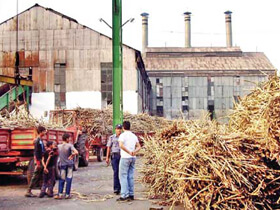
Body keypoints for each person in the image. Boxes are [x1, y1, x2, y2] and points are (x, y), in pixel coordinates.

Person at [117, 121, 141, 201]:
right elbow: (139, 146)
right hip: (133, 157)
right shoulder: (134, 136)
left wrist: (128, 152)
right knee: (130, 176)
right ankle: (131, 194)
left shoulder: (122, 135)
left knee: (123, 176)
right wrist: (134, 152)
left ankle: (124, 195)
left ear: (123, 128)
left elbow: (121, 145)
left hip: (125, 157)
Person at [55, 133, 78, 199]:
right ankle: (67, 194)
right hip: (69, 165)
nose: (69, 139)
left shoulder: (59, 146)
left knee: (62, 179)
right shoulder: (70, 146)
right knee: (69, 179)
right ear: (67, 139)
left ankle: (60, 194)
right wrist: (72, 155)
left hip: (62, 165)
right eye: (69, 138)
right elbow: (76, 152)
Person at [25, 126, 47, 197]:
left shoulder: (40, 140)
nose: (45, 132)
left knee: (40, 175)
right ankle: (28, 190)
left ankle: (42, 190)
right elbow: (36, 152)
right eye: (44, 131)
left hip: (40, 159)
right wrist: (37, 162)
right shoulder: (38, 140)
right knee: (35, 175)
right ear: (41, 132)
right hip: (38, 160)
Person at [106, 124, 122, 195]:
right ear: (115, 129)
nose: (119, 130)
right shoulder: (112, 137)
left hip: (122, 156)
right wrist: (107, 157)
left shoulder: (123, 137)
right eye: (117, 129)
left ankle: (121, 187)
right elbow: (109, 147)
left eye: (120, 129)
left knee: (121, 172)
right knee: (116, 172)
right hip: (114, 156)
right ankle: (116, 189)